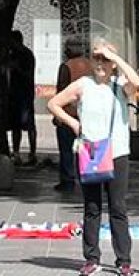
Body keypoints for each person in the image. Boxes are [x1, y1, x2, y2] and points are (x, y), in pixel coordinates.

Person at [48, 41, 139, 276]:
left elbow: (137, 82)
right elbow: (54, 103)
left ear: (113, 64)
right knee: (92, 207)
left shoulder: (120, 86)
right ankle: (91, 258)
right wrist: (73, 123)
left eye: (105, 59)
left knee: (118, 207)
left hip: (117, 153)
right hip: (90, 152)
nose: (100, 63)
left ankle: (124, 261)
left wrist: (115, 57)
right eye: (96, 58)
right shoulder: (83, 84)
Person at [53, 43, 93, 191]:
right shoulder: (90, 65)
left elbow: (61, 90)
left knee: (66, 149)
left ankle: (68, 180)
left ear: (68, 51)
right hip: (87, 113)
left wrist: (57, 115)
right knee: (86, 148)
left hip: (68, 114)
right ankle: (88, 177)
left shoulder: (66, 66)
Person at [7, 30, 37, 165]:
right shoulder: (11, 55)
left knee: (29, 124)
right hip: (14, 94)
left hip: (25, 93)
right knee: (15, 125)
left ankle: (32, 153)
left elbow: (28, 74)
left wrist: (16, 68)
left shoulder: (26, 55)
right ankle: (16, 152)